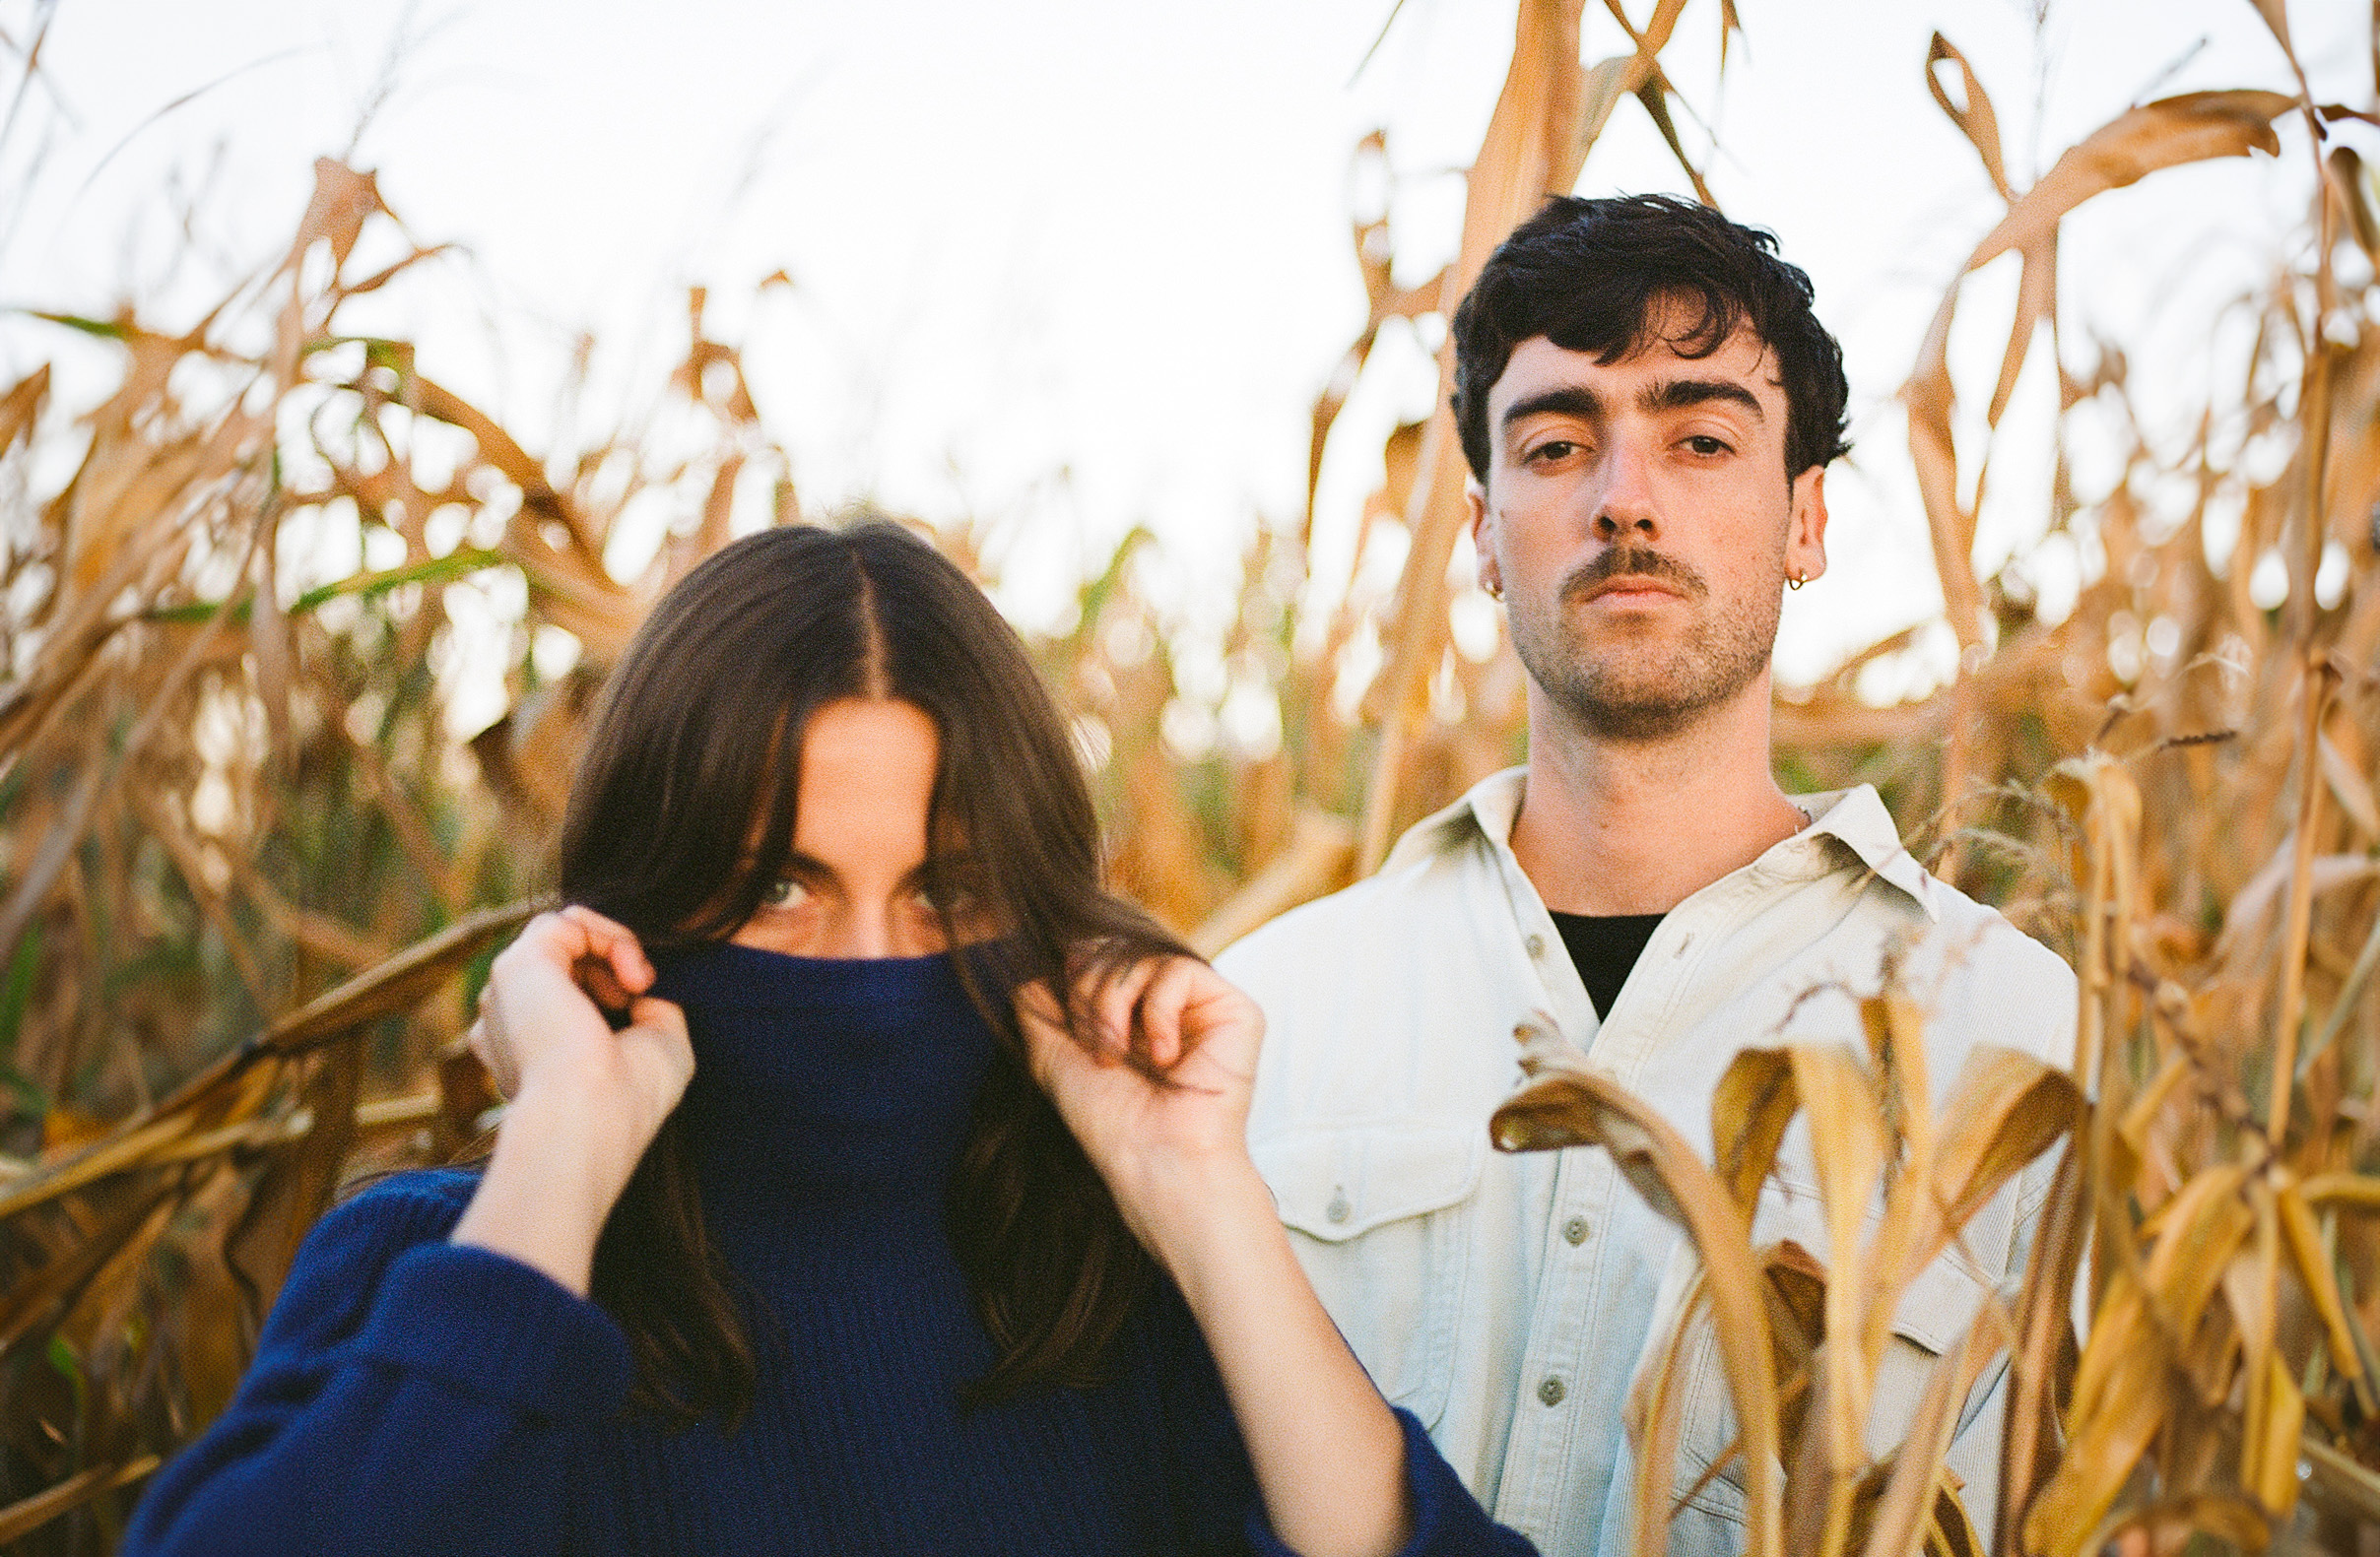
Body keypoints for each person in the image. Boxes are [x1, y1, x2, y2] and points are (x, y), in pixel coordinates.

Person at [123, 521, 1535, 1557]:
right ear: (638, 905)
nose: (871, 972)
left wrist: (1201, 1197)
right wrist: (557, 1142)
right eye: (780, 889)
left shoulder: (1103, 1292)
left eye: (946, 890)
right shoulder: (448, 1274)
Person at [1218, 195, 2076, 1557]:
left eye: (1702, 439)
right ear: (1487, 533)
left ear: (1805, 519)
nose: (1626, 497)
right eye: (1559, 444)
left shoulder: (2015, 1037)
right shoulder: (1266, 1011)